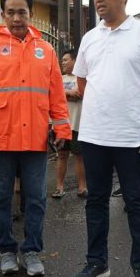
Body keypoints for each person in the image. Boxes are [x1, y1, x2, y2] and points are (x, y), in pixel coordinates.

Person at [69, 0, 140, 277]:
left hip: (132, 138)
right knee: (95, 201)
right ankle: (97, 263)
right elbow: (82, 82)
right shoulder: (90, 38)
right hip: (94, 136)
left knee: (137, 202)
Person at [0, 0, 71, 277]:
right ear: (3, 15)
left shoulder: (46, 51)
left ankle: (32, 250)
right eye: (11, 12)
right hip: (1, 139)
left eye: (22, 12)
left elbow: (56, 95)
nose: (16, 18)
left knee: (36, 198)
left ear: (30, 14)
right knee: (0, 198)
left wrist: (62, 127)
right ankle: (6, 251)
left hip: (36, 139)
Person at [52, 49, 87, 199]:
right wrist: (67, 93)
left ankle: (82, 187)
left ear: (75, 61)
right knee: (62, 155)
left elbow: (80, 93)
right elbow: (53, 95)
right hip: (61, 125)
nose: (63, 63)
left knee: (79, 156)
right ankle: (59, 187)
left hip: (77, 124)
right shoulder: (59, 79)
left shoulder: (82, 78)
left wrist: (68, 94)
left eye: (66, 60)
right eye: (62, 60)